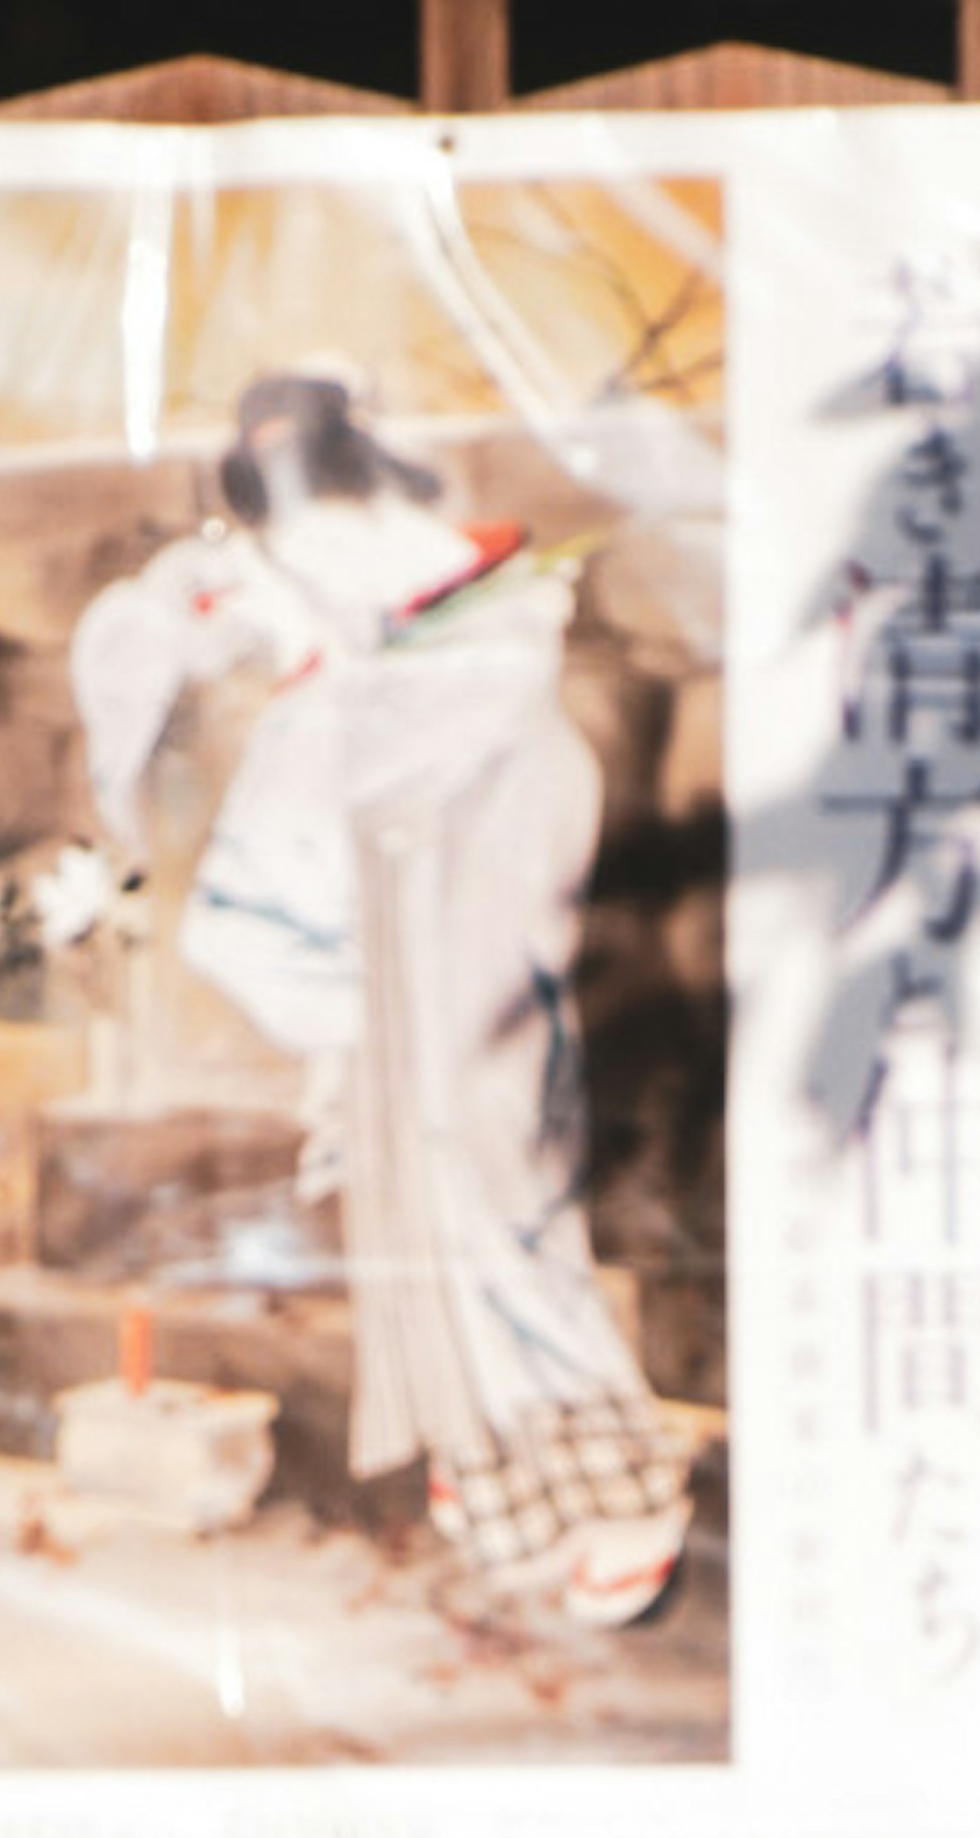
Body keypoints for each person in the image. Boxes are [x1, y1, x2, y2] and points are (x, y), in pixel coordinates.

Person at [66, 365, 695, 1636]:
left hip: (477, 825)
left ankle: (614, 1480)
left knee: (486, 1147)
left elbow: (439, 657)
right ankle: (509, 1472)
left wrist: (329, 666)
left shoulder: (438, 584)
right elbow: (166, 635)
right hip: (405, 848)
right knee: (421, 1155)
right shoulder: (285, 575)